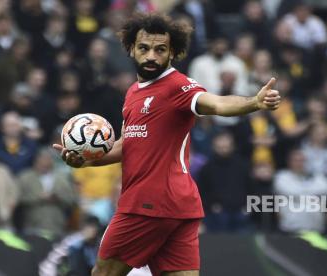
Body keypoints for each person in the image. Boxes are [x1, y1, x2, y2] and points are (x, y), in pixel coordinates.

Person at [53, 13, 281, 276]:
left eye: (160, 49)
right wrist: (85, 159)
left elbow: (216, 103)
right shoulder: (133, 93)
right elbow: (126, 145)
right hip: (179, 208)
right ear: (131, 49)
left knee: (103, 274)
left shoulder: (177, 86)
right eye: (144, 48)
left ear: (172, 52)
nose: (151, 56)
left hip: (147, 203)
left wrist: (253, 102)